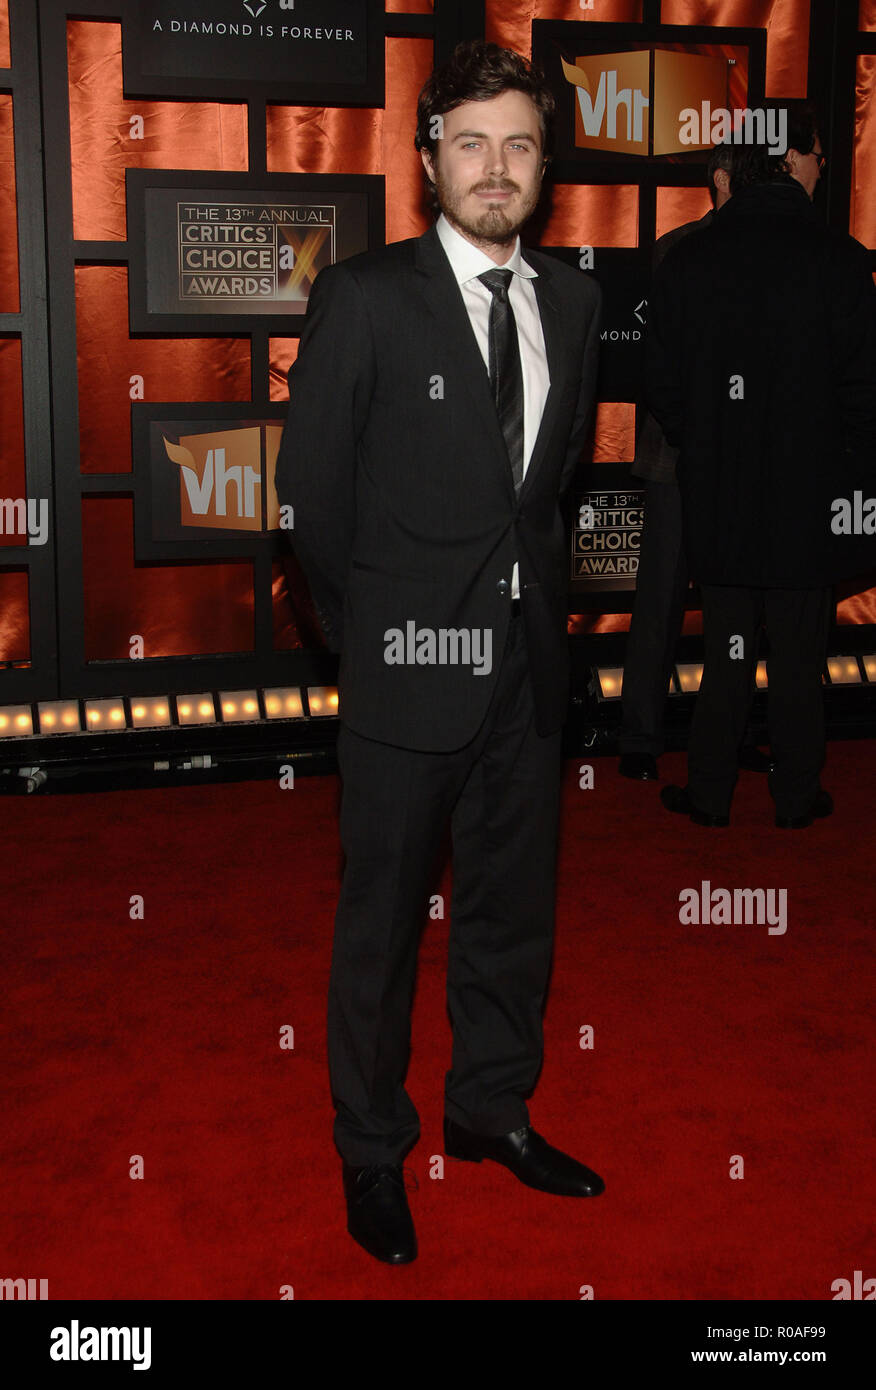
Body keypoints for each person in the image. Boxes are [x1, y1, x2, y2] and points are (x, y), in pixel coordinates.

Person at [275, 40, 604, 1266]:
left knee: (513, 915)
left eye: (519, 143)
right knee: (381, 929)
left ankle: (490, 1113)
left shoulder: (571, 302)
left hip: (528, 673)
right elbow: (312, 500)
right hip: (404, 673)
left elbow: (549, 492)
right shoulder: (366, 297)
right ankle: (372, 1148)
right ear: (428, 161)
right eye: (471, 142)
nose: (496, 166)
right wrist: (374, 652)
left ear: (545, 164)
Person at [647, 103, 876, 828]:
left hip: (719, 494)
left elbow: (663, 390)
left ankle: (710, 794)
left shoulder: (689, 258)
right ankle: (796, 795)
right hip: (810, 501)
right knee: (801, 656)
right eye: (815, 154)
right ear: (788, 159)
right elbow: (865, 393)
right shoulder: (842, 260)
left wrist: (710, 444)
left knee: (726, 652)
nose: (822, 167)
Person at [618, 146, 734, 782]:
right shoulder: (678, 248)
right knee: (659, 599)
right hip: (676, 458)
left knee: (735, 606)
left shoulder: (772, 249)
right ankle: (640, 736)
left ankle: (724, 732)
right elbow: (670, 362)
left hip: (740, 460)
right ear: (721, 180)